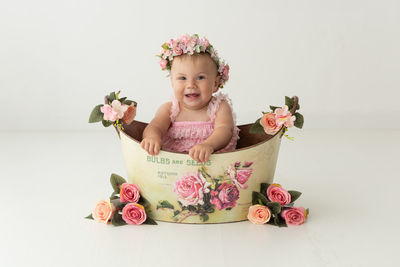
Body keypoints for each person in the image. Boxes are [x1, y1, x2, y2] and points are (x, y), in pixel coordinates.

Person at [141, 34, 239, 163]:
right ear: (172, 82)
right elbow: (155, 127)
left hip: (212, 165)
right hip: (175, 166)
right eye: (182, 78)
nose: (191, 85)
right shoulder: (170, 109)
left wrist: (208, 145)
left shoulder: (220, 107)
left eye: (200, 78)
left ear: (215, 84)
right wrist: (152, 137)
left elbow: (225, 130)